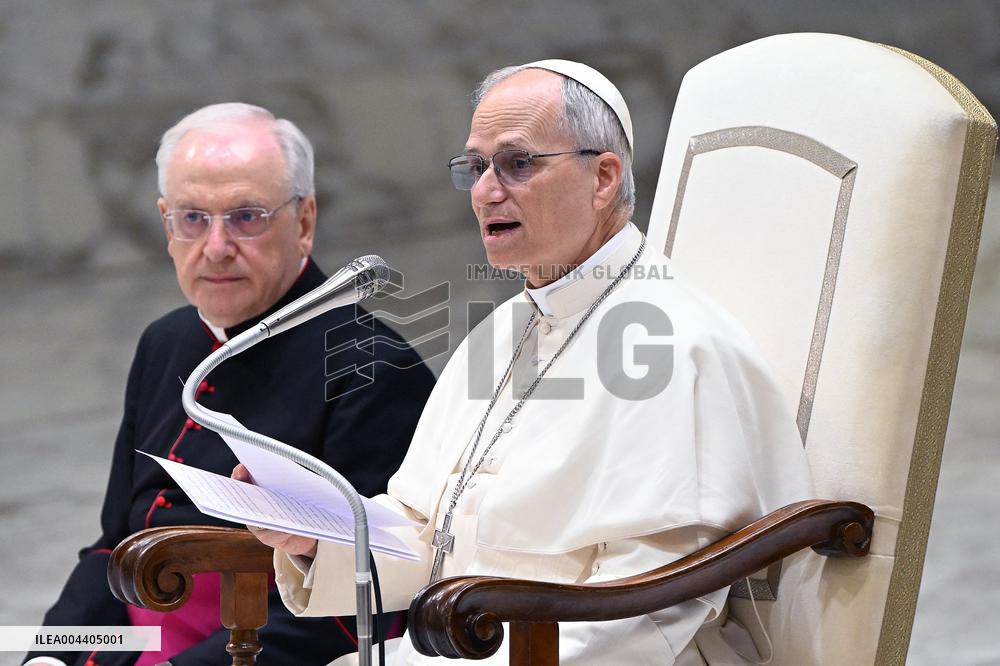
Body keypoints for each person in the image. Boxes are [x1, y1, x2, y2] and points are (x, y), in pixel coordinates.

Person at [250, 61, 814, 664]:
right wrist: (314, 536)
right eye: (475, 167)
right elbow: (428, 532)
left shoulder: (675, 345)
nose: (487, 191)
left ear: (602, 178)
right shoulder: (505, 330)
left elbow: (652, 610)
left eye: (518, 164)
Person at [25, 104, 436, 666]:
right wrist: (52, 654)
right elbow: (111, 544)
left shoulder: (374, 365)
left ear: (305, 222)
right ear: (166, 223)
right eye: (192, 219)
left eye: (246, 217)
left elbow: (365, 600)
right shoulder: (166, 341)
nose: (215, 247)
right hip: (134, 644)